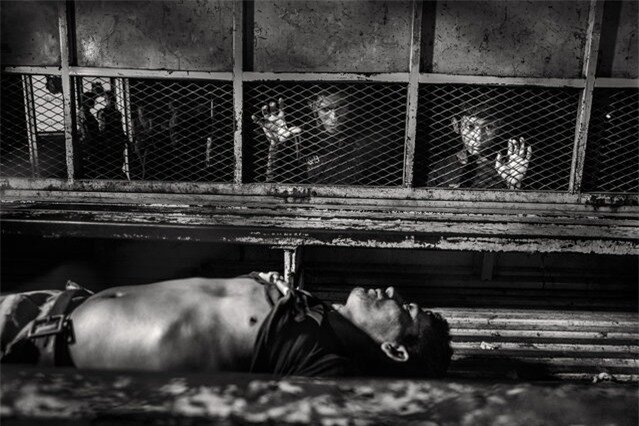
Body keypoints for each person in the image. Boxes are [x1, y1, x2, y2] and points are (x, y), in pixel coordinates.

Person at [0, 272, 452, 378]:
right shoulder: (312, 313)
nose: (392, 294)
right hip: (43, 307)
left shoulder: (325, 368)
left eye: (407, 310)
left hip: (37, 361)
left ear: (396, 350)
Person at [252, 92, 386, 185]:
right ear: (313, 106)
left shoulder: (365, 141)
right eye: (326, 109)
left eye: (341, 107)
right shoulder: (298, 139)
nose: (335, 117)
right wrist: (275, 148)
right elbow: (274, 187)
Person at [426, 102, 533, 189]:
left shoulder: (509, 167)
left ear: (499, 127)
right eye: (470, 126)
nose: (479, 137)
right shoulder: (442, 170)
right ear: (456, 125)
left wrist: (514, 184)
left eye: (489, 127)